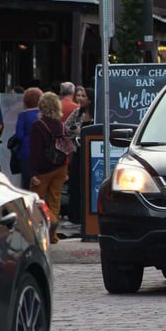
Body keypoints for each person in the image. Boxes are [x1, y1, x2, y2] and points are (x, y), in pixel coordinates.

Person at [29, 92, 69, 244]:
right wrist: (67, 168)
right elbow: (66, 147)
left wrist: (33, 173)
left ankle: (49, 223)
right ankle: (52, 236)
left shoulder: (38, 125)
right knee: (54, 200)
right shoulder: (60, 124)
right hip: (61, 167)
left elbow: (35, 152)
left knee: (36, 200)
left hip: (43, 170)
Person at [63, 86, 94, 227]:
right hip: (78, 152)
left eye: (83, 96)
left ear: (90, 99)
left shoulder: (97, 112)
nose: (79, 98)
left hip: (93, 154)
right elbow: (66, 128)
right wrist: (75, 134)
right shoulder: (77, 112)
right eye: (78, 95)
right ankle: (75, 217)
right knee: (75, 183)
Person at [13, 87, 42, 189]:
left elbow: (19, 136)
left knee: (26, 183)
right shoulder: (42, 115)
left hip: (26, 153)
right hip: (41, 153)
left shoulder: (22, 115)